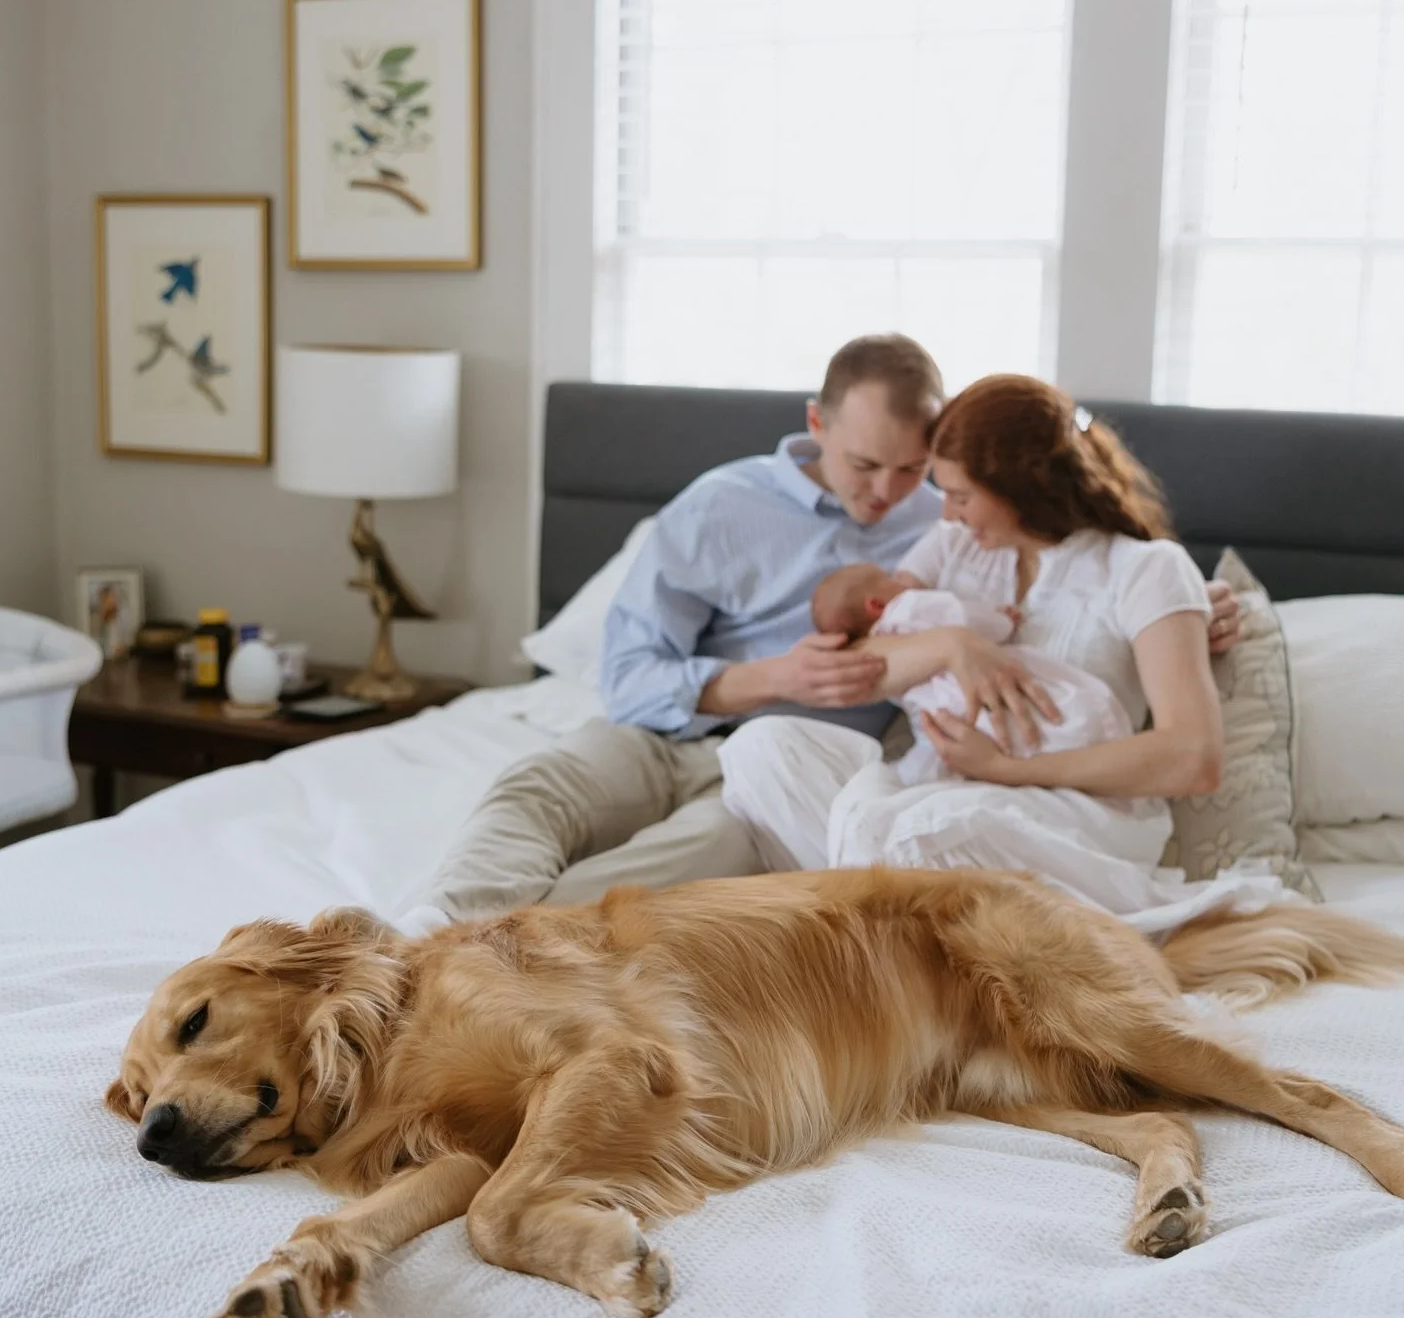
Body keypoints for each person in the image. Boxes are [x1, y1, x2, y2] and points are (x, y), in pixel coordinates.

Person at [402, 347, 1241, 931]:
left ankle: (499, 952)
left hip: (932, 783)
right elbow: (639, 675)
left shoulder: (1053, 544)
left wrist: (1182, 612)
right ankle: (424, 931)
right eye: (871, 466)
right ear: (818, 424)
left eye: (923, 476)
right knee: (557, 786)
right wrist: (940, 649)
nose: (902, 496)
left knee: (717, 849)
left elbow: (1175, 729)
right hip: (670, 728)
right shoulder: (736, 508)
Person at [720, 374, 1274, 939]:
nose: (949, 514)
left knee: (919, 832)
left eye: (960, 497)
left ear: (1023, 488)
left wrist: (1006, 770)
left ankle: (884, 938)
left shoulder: (1144, 569)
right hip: (933, 782)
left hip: (1067, 809)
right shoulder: (953, 546)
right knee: (762, 750)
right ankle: (904, 936)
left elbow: (1192, 757)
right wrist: (952, 646)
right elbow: (863, 659)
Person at [807, 563, 1133, 786]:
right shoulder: (910, 607)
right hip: (975, 688)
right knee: (1037, 716)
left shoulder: (880, 648)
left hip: (938, 716)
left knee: (926, 763)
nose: (902, 580)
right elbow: (964, 618)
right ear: (877, 605)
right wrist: (1002, 620)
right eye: (890, 577)